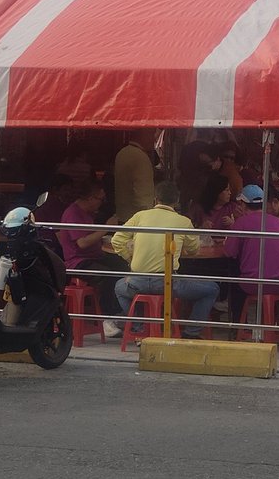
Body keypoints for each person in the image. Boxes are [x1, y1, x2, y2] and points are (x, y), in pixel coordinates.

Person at [112, 181, 217, 340]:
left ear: (156, 199)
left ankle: (139, 327)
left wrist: (130, 258)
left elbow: (116, 240)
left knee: (119, 287)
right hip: (167, 283)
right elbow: (194, 249)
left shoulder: (140, 216)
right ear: (177, 201)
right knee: (212, 289)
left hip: (137, 281)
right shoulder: (183, 221)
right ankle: (191, 332)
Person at [222, 184, 279, 331]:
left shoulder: (241, 223)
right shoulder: (278, 222)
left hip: (252, 284)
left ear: (243, 204)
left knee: (234, 279)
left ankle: (238, 328)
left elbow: (229, 252)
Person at [59, 178, 124, 333]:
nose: (102, 203)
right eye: (101, 199)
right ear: (90, 198)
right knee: (106, 275)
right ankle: (106, 318)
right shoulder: (73, 214)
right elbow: (82, 243)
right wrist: (106, 228)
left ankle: (120, 313)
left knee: (123, 265)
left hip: (94, 256)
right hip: (77, 261)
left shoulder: (87, 213)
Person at [114, 131, 156, 224]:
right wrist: (148, 216)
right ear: (145, 135)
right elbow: (143, 193)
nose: (154, 139)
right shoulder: (140, 157)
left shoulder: (121, 153)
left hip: (122, 214)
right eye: (152, 134)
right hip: (138, 218)